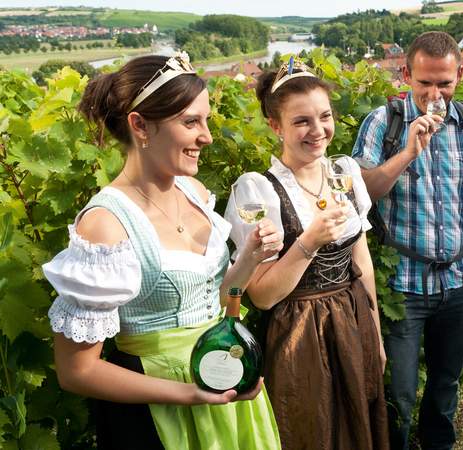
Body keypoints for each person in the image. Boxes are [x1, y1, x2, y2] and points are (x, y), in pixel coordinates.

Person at [43, 54, 281, 450]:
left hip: (223, 391)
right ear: (140, 125)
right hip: (160, 413)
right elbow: (77, 371)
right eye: (190, 122)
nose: (206, 136)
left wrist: (250, 258)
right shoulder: (105, 224)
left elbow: (216, 300)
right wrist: (188, 394)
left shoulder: (196, 193)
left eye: (206, 120)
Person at [225, 59, 389, 450]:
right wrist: (308, 243)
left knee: (356, 426)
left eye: (325, 117)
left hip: (352, 321)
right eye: (302, 121)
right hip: (297, 335)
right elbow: (262, 295)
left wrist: (376, 337)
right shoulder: (257, 192)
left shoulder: (344, 173)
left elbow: (361, 264)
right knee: (308, 429)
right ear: (275, 126)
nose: (318, 131)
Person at [352, 31, 463, 449]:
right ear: (406, 75)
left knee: (445, 384)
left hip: (459, 281)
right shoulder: (384, 122)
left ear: (459, 76)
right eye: (425, 83)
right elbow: (364, 193)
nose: (435, 93)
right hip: (404, 285)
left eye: (444, 83)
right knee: (398, 392)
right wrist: (408, 153)